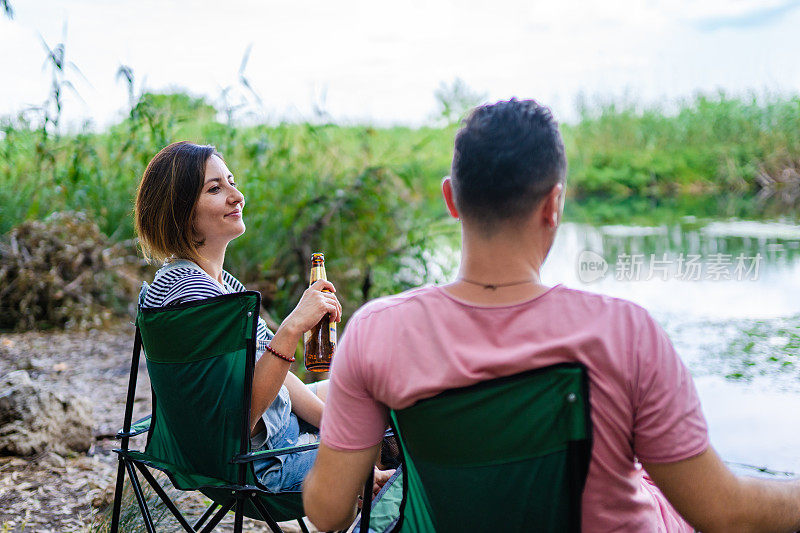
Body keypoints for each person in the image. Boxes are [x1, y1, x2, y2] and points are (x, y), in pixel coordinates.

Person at [303, 99, 800, 532]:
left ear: (451, 198)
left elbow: (326, 513)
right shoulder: (625, 334)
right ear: (554, 205)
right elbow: (727, 514)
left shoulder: (378, 333)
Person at [134, 141, 343, 493]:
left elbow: (269, 371)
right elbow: (236, 425)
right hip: (266, 463)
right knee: (392, 444)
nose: (237, 196)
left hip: (272, 435)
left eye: (231, 181)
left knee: (374, 397)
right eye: (216, 189)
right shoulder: (196, 300)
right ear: (181, 211)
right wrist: (292, 327)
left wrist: (333, 425)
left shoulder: (212, 286)